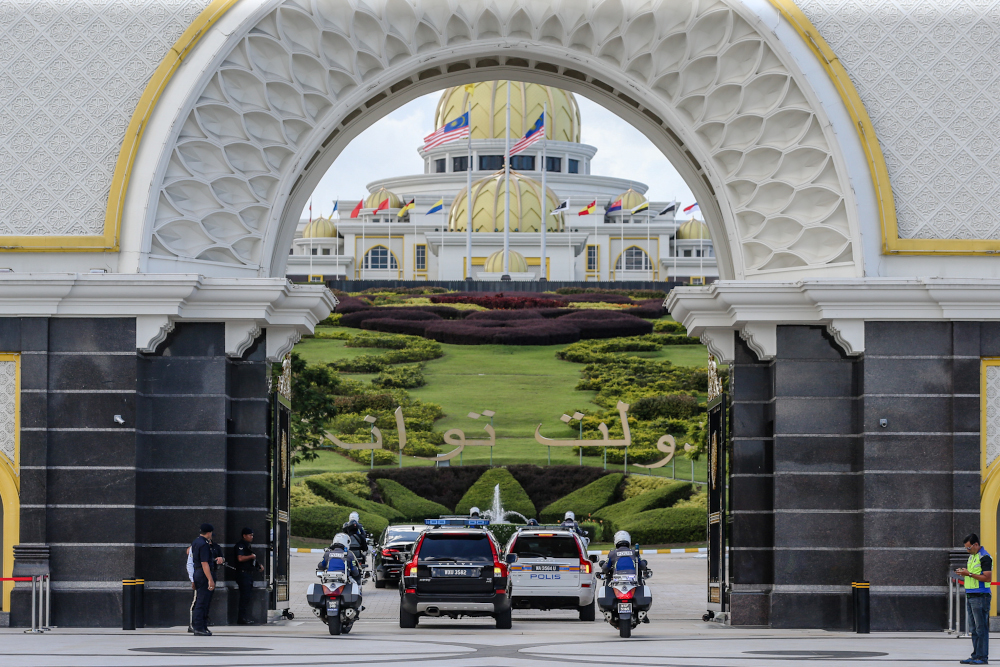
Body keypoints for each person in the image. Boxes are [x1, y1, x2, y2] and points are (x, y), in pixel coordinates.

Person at [958, 533, 993, 665]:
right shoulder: (973, 556)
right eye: (966, 548)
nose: (967, 550)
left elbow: (987, 578)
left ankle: (982, 657)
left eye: (969, 547)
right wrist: (964, 573)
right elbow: (972, 575)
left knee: (981, 628)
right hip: (971, 595)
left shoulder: (985, 557)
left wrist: (969, 574)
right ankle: (976, 655)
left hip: (981, 596)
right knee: (974, 629)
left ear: (976, 544)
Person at [190, 523, 225, 636]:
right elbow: (204, 563)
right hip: (204, 573)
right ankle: (199, 627)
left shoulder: (196, 542)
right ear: (209, 533)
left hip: (198, 573)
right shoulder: (204, 544)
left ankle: (202, 626)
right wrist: (210, 579)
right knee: (203, 601)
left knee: (202, 600)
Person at [234, 527, 264, 625]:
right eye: (250, 535)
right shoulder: (240, 545)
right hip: (243, 574)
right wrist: (251, 556)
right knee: (244, 597)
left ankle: (245, 616)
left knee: (247, 597)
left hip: (248, 574)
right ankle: (242, 618)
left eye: (252, 535)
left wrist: (258, 566)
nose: (252, 537)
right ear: (244, 535)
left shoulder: (248, 546)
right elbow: (240, 558)